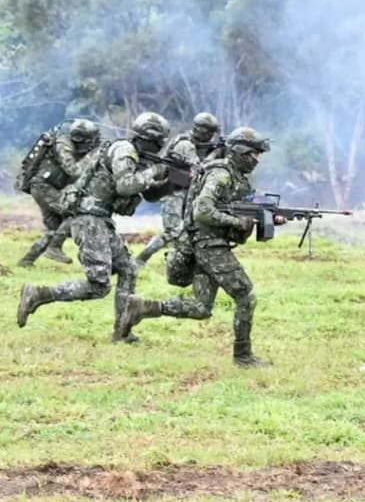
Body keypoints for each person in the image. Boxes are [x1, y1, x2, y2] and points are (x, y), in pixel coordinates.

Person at [116, 127, 282, 368]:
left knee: (201, 307)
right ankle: (243, 356)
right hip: (208, 246)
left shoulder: (236, 177)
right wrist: (237, 222)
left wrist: (270, 215)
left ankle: (141, 307)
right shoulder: (221, 174)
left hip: (202, 245)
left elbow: (245, 203)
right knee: (246, 295)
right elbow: (202, 210)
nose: (257, 160)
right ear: (239, 152)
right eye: (254, 154)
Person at [17, 112, 171, 341]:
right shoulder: (124, 151)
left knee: (128, 270)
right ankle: (39, 294)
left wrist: (169, 182)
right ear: (153, 139)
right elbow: (125, 186)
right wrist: (153, 172)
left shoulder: (132, 154)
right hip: (89, 220)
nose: (161, 146)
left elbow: (143, 195)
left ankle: (122, 331)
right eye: (160, 141)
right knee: (99, 286)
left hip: (99, 219)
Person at [135, 112, 224, 267]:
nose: (211, 136)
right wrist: (216, 153)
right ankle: (141, 258)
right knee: (173, 231)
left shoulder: (199, 145)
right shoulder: (184, 144)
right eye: (210, 132)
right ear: (203, 131)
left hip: (187, 193)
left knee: (189, 230)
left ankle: (175, 259)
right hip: (173, 192)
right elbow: (200, 168)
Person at [16, 119, 101, 266]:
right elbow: (74, 171)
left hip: (46, 188)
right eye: (90, 140)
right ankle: (54, 248)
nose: (92, 143)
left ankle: (27, 261)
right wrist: (92, 156)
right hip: (43, 187)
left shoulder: (73, 144)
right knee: (77, 212)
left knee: (54, 229)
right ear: (80, 138)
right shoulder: (63, 145)